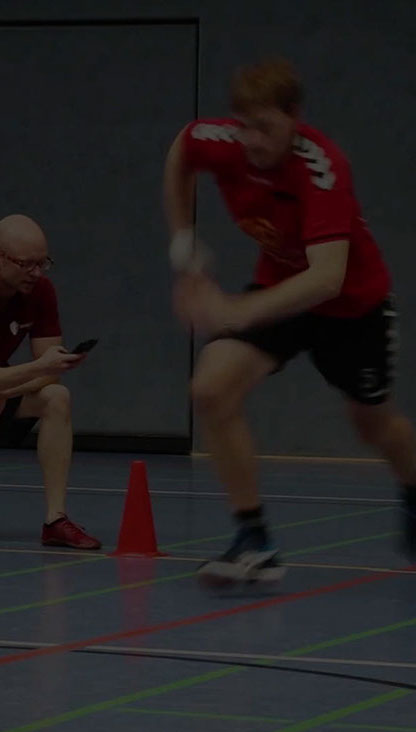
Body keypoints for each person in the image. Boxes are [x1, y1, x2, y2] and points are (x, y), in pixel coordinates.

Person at [163, 58, 416, 587]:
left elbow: (326, 278)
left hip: (352, 308)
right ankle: (254, 539)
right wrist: (185, 249)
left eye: (266, 127)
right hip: (281, 291)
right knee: (211, 388)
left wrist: (237, 309)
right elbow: (181, 151)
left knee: (373, 426)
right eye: (245, 126)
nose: (253, 141)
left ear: (294, 118)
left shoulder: (322, 168)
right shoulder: (224, 142)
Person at [0, 214, 101, 549]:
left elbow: (48, 371)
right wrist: (35, 369)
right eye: (26, 264)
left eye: (42, 263)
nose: (36, 273)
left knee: (56, 396)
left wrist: (9, 389)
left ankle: (55, 520)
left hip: (3, 389)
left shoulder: (40, 291)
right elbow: (40, 365)